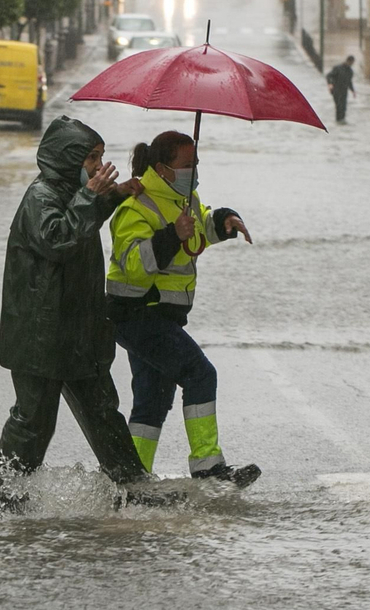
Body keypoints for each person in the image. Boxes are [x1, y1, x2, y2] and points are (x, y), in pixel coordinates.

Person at [0, 116, 152, 509]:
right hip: (43, 338)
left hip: (77, 333)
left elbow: (79, 218)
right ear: (68, 158)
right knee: (33, 422)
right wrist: (94, 195)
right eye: (92, 157)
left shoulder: (72, 191)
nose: (98, 165)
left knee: (103, 413)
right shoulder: (39, 198)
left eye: (101, 157)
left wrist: (114, 195)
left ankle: (136, 489)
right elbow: (60, 238)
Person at [106, 130, 261, 487]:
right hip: (138, 315)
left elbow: (200, 226)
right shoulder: (137, 206)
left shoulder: (184, 199)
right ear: (162, 168)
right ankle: (208, 467)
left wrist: (224, 220)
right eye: (186, 164)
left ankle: (130, 478)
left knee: (151, 401)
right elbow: (134, 263)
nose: (194, 170)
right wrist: (171, 235)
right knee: (200, 374)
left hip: (160, 316)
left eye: (196, 163)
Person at [326, 55, 357, 124]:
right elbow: (329, 76)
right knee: (338, 106)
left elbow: (349, 82)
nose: (351, 64)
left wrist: (353, 91)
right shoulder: (338, 68)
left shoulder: (350, 71)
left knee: (344, 107)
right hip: (336, 90)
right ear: (348, 61)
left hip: (344, 91)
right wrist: (330, 84)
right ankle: (338, 121)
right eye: (351, 63)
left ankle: (342, 121)